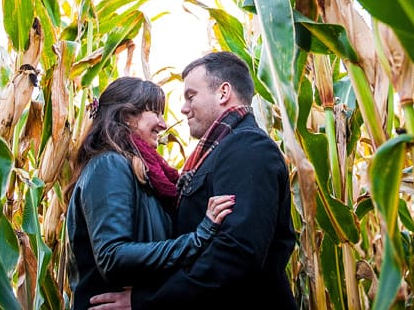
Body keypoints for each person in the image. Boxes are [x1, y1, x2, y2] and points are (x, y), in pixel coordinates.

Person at [90, 51, 297, 310]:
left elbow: (236, 254)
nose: (183, 109)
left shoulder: (248, 148)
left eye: (191, 96)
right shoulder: (218, 153)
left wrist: (147, 300)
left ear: (223, 93)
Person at [66, 76, 236, 310]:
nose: (164, 124)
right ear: (127, 116)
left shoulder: (142, 173)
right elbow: (112, 256)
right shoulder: (109, 166)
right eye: (156, 112)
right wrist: (198, 238)